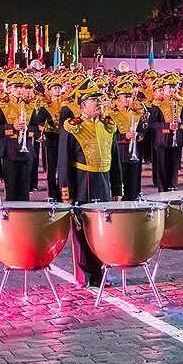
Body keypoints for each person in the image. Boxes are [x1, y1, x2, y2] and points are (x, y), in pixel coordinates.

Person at [59, 87, 114, 287]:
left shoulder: (108, 126)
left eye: (100, 100)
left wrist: (116, 189)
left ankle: (101, 272)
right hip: (83, 184)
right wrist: (66, 191)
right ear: (83, 106)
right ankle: (85, 275)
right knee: (83, 232)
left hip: (103, 184)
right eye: (94, 101)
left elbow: (114, 160)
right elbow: (63, 162)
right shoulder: (73, 127)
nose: (99, 104)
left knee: (103, 232)